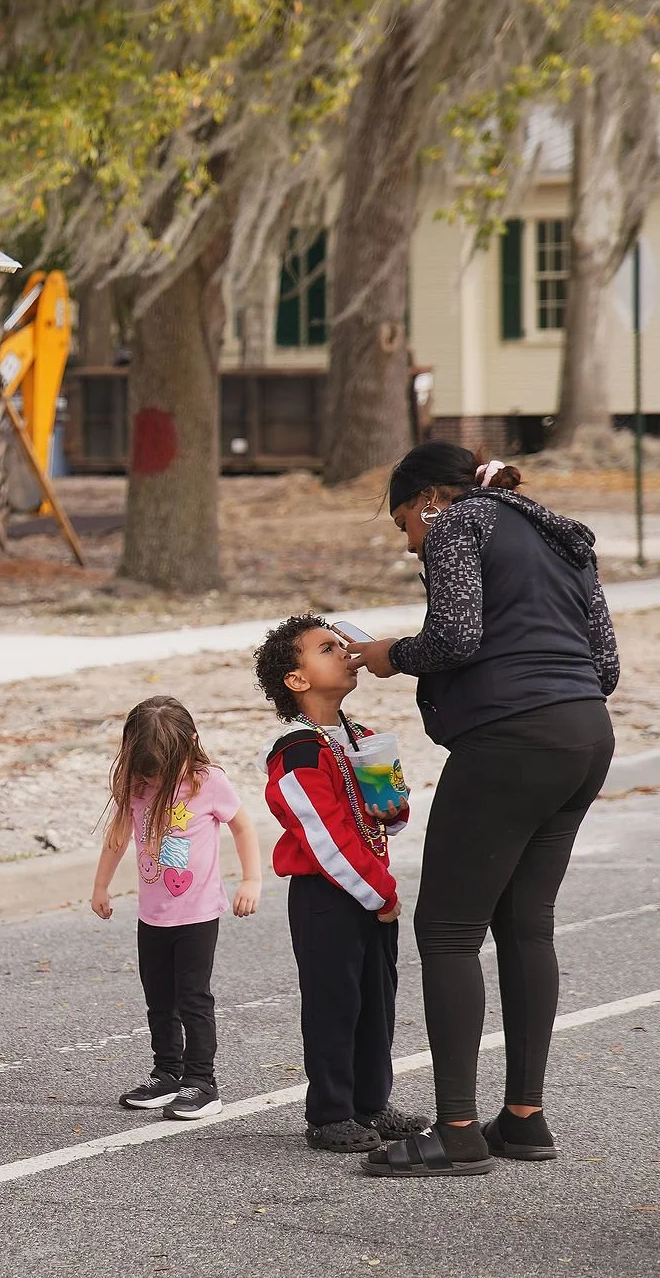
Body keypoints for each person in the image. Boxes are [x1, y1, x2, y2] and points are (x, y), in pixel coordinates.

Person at [347, 443, 618, 1177]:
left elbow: (457, 634)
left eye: (405, 521)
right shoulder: (561, 533)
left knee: (447, 928)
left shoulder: (462, 523)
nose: (410, 543)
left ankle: (458, 1128)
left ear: (430, 498)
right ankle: (524, 1118)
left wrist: (389, 653)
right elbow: (608, 664)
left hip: (511, 738)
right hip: (586, 732)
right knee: (526, 922)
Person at [253, 615, 427, 1154]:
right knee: (334, 1002)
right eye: (327, 648)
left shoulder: (364, 737)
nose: (345, 652)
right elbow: (322, 834)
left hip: (373, 890)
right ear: (297, 680)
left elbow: (389, 816)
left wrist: (394, 807)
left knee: (377, 998)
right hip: (330, 895)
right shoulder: (297, 750)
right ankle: (330, 1112)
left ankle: (372, 1103)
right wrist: (381, 893)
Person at [91, 696, 264, 1121]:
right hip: (152, 915)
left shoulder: (208, 781)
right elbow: (117, 837)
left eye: (161, 771)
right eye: (147, 770)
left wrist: (252, 879)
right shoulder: (135, 785)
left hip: (198, 914)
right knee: (158, 997)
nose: (154, 779)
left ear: (191, 744)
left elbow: (243, 826)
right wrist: (101, 886)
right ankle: (167, 1072)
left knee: (193, 998)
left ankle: (201, 1081)